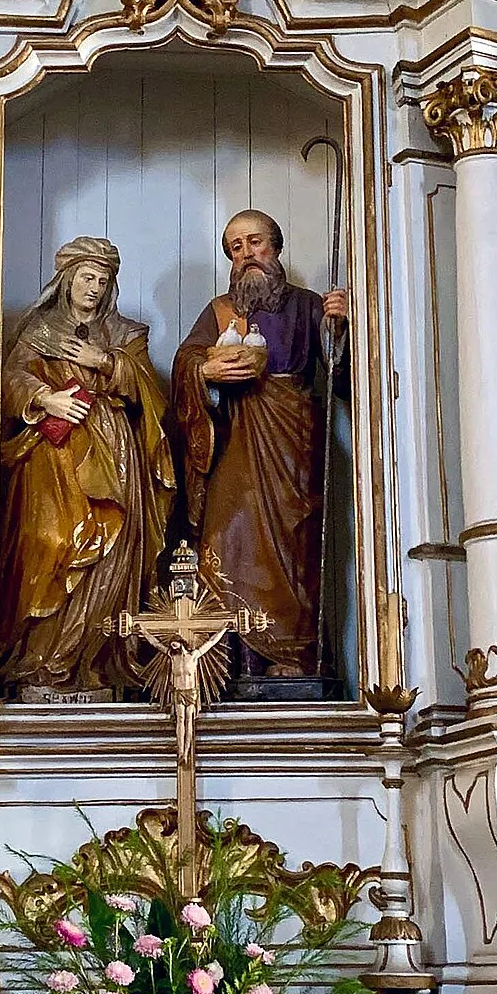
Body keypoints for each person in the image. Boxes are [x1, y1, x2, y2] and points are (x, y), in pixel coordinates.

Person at [170, 210, 348, 680]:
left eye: (255, 242)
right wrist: (203, 372)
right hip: (234, 448)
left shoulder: (310, 305)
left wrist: (341, 332)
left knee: (294, 549)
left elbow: (343, 381)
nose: (246, 254)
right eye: (235, 247)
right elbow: (186, 361)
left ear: (276, 247)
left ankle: (292, 657)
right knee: (223, 543)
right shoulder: (219, 311)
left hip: (291, 449)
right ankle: (233, 660)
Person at [0, 236, 175, 696]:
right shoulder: (37, 329)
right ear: (67, 279)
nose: (94, 287)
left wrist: (108, 363)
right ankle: (38, 661)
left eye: (103, 279)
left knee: (112, 555)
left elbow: (151, 397)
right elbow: (9, 379)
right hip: (51, 456)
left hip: (114, 453)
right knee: (49, 543)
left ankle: (89, 663)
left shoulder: (126, 334)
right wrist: (44, 397)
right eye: (86, 277)